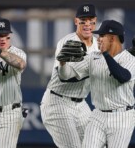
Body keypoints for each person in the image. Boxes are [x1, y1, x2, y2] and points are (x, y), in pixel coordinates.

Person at [58, 20, 135, 148]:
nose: (98, 39)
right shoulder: (93, 57)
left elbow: (122, 76)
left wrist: (105, 54)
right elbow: (66, 76)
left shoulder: (130, 59)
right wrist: (62, 63)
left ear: (112, 38)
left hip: (122, 117)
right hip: (98, 115)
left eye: (102, 36)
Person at [40, 4, 99, 148]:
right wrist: (62, 63)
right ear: (76, 21)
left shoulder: (98, 44)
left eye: (90, 20)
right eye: (83, 20)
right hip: (58, 101)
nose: (87, 24)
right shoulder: (68, 42)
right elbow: (65, 76)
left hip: (81, 104)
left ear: (95, 21)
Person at [0, 18, 27, 148]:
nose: (3, 39)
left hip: (9, 113)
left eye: (6, 36)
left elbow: (20, 64)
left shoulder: (17, 53)